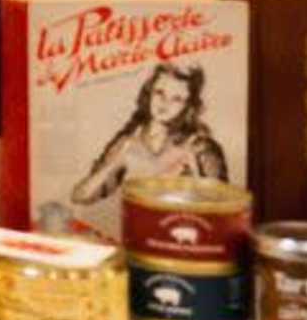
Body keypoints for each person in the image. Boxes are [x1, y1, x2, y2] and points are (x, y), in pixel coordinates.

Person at [67, 61, 232, 216]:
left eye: (177, 99)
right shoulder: (128, 141)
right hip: (138, 236)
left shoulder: (200, 146)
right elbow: (80, 196)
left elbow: (223, 210)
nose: (164, 103)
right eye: (160, 93)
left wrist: (194, 169)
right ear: (149, 92)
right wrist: (116, 161)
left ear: (188, 106)